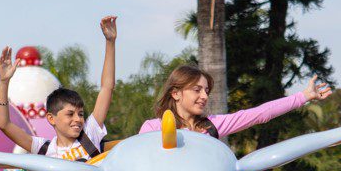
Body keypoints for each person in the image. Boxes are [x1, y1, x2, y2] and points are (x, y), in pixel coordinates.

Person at [0, 17, 117, 171]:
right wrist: (3, 82)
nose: (78, 119)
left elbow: (106, 88)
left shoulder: (90, 133)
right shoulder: (45, 149)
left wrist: (110, 42)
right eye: (70, 114)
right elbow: (4, 124)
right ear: (51, 118)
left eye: (80, 114)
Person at [139, 65, 331, 137]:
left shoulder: (212, 126)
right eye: (197, 90)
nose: (205, 96)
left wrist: (303, 97)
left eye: (206, 90)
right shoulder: (152, 129)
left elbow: (259, 114)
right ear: (176, 93)